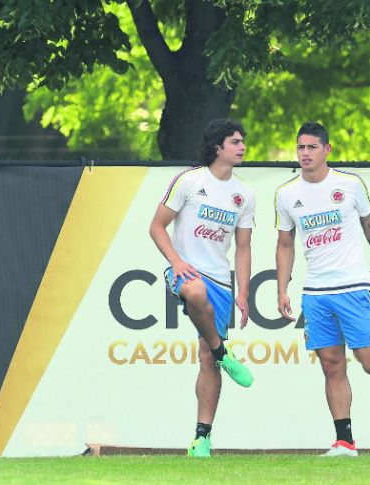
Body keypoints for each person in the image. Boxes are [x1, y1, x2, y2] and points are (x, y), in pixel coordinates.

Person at [275, 121, 370, 457]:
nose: (305, 153)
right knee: (331, 365)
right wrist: (282, 288)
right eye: (301, 147)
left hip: (353, 286)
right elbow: (285, 243)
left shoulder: (349, 184)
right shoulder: (286, 194)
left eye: (312, 147)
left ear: (327, 150)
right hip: (315, 293)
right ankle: (344, 441)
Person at [149, 119, 256, 458]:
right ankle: (225, 352)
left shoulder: (244, 194)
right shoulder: (189, 180)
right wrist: (176, 261)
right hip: (187, 271)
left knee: (207, 359)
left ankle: (202, 439)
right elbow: (156, 227)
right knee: (194, 292)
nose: (242, 146)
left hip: (221, 280)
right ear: (217, 146)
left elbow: (243, 247)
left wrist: (243, 291)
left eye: (243, 141)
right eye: (235, 141)